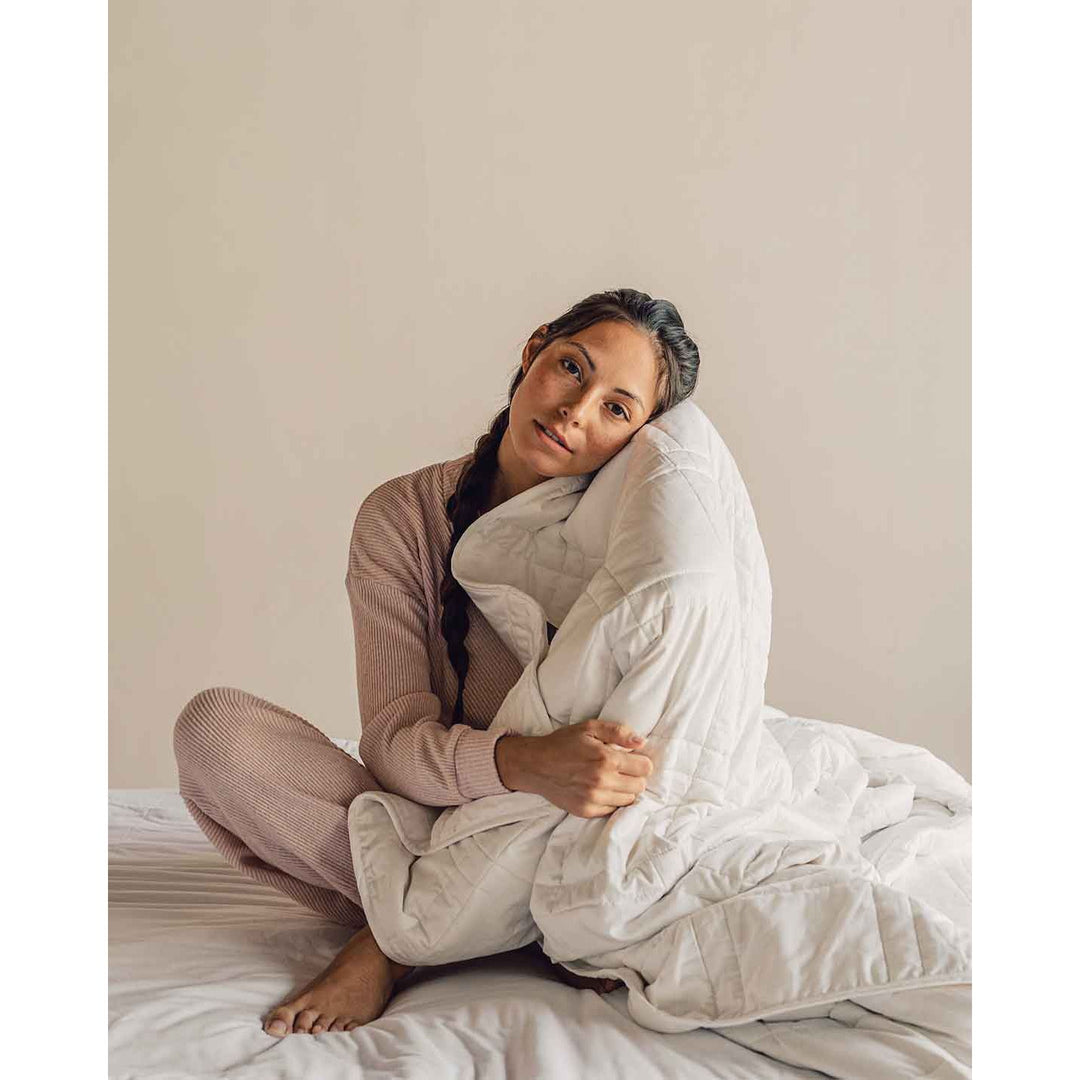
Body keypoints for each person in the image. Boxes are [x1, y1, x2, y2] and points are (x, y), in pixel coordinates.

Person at [172, 287, 701, 1037]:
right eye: (571, 368)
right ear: (532, 351)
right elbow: (392, 745)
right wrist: (522, 761)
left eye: (618, 408)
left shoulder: (636, 540)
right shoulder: (402, 516)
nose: (575, 411)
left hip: (562, 828)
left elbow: (622, 765)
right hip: (442, 805)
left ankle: (400, 939)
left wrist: (558, 775)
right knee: (217, 733)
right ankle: (454, 924)